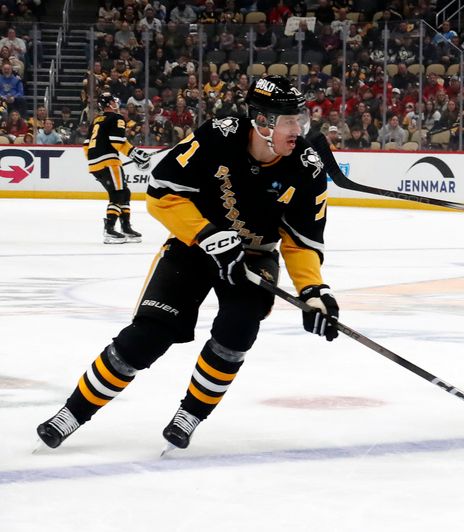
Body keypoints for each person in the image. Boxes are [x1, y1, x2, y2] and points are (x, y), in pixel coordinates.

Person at [36, 75, 340, 452]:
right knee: (148, 336)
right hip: (192, 244)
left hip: (254, 255)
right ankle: (72, 413)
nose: (299, 129)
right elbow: (162, 194)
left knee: (238, 330)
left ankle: (190, 415)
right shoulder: (217, 136)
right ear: (261, 123)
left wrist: (313, 291)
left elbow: (300, 242)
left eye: (300, 119)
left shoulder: (307, 168)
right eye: (289, 121)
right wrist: (207, 234)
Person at [84, 92, 150, 244]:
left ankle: (125, 227)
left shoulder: (96, 120)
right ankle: (110, 229)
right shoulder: (117, 118)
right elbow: (117, 141)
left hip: (95, 163)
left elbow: (86, 145)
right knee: (118, 193)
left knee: (124, 192)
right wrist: (135, 154)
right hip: (109, 162)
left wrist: (95, 159)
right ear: (109, 104)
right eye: (113, 101)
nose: (116, 103)